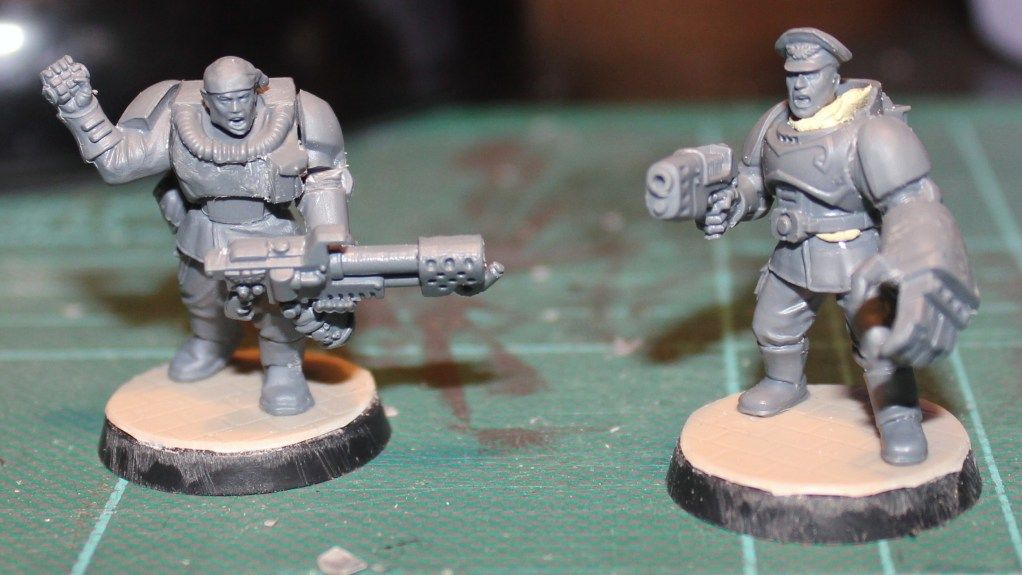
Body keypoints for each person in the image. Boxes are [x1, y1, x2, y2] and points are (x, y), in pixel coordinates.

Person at [701, 28, 978, 464]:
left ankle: (897, 413)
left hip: (857, 256)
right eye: (793, 75)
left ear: (833, 77)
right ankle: (784, 383)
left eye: (810, 75)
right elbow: (757, 182)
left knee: (879, 340)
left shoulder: (870, 132)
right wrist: (735, 200)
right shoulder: (774, 125)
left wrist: (911, 253)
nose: (799, 85)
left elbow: (911, 199)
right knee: (773, 325)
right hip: (794, 254)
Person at [41, 55, 355, 416]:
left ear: (258, 90)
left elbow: (324, 181)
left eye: (243, 97)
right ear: (206, 99)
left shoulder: (300, 113)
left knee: (277, 311)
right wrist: (81, 108)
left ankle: (283, 368)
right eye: (224, 99)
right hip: (204, 231)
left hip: (270, 233)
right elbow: (118, 163)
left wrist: (328, 241)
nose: (235, 109)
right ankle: (212, 341)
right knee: (200, 297)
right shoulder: (177, 114)